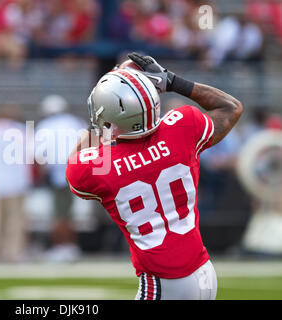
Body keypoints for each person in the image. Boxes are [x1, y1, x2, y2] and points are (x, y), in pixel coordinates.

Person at [65, 52, 242, 300]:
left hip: (163, 282)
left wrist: (100, 126)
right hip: (204, 271)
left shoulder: (97, 168)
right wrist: (170, 81)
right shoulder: (182, 127)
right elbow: (230, 107)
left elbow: (79, 159)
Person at [35, 95, 86, 262]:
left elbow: (37, 155)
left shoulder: (45, 126)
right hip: (78, 171)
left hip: (59, 174)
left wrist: (43, 171)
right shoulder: (76, 122)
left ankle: (61, 247)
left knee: (59, 214)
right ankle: (70, 246)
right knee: (69, 213)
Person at [0, 105, 32, 263]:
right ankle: (13, 252)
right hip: (16, 182)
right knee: (14, 221)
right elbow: (32, 154)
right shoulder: (21, 131)